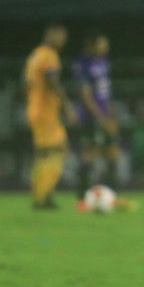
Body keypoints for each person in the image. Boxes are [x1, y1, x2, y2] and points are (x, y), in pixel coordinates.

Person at [24, 23, 76, 210]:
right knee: (59, 149)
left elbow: (27, 83)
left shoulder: (35, 56)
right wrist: (68, 106)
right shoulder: (49, 56)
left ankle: (41, 195)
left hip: (35, 110)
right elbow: (52, 81)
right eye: (60, 36)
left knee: (44, 154)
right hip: (46, 113)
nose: (63, 40)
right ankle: (42, 196)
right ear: (51, 34)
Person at [72, 30, 121, 209]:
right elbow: (86, 95)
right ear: (92, 45)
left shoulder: (104, 63)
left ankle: (113, 197)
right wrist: (101, 118)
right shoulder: (82, 64)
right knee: (89, 155)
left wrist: (111, 116)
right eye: (102, 43)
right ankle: (81, 199)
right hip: (91, 117)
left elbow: (104, 95)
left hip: (104, 116)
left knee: (112, 152)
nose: (106, 47)